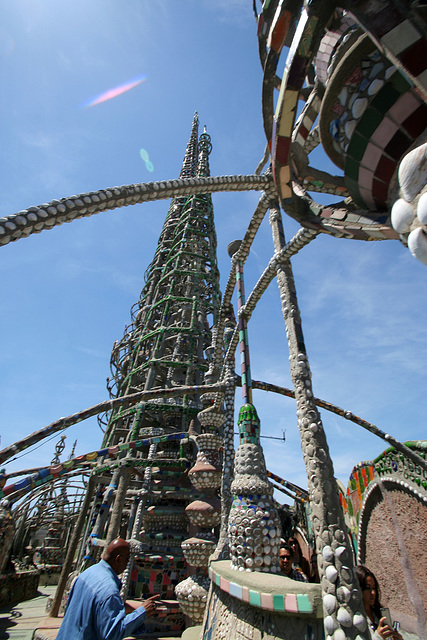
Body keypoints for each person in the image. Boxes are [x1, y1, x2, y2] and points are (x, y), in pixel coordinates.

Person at [57, 538, 158, 640]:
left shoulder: (85, 575)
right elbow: (113, 633)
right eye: (127, 559)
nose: (127, 564)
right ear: (118, 559)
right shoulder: (109, 590)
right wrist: (142, 612)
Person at [355, 565, 403, 640]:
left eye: (374, 588)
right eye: (368, 588)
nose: (373, 592)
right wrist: (378, 637)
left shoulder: (378, 614)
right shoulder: (356, 619)